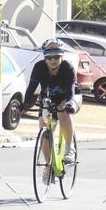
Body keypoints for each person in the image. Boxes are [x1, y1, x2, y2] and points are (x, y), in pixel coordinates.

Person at [22, 38, 81, 172]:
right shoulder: (39, 67)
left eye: (56, 57)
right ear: (45, 58)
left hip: (70, 97)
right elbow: (31, 89)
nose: (53, 60)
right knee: (44, 129)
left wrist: (70, 103)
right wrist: (24, 105)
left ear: (62, 56)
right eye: (49, 57)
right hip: (49, 99)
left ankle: (69, 148)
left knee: (62, 111)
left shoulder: (67, 68)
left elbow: (71, 90)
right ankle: (49, 166)